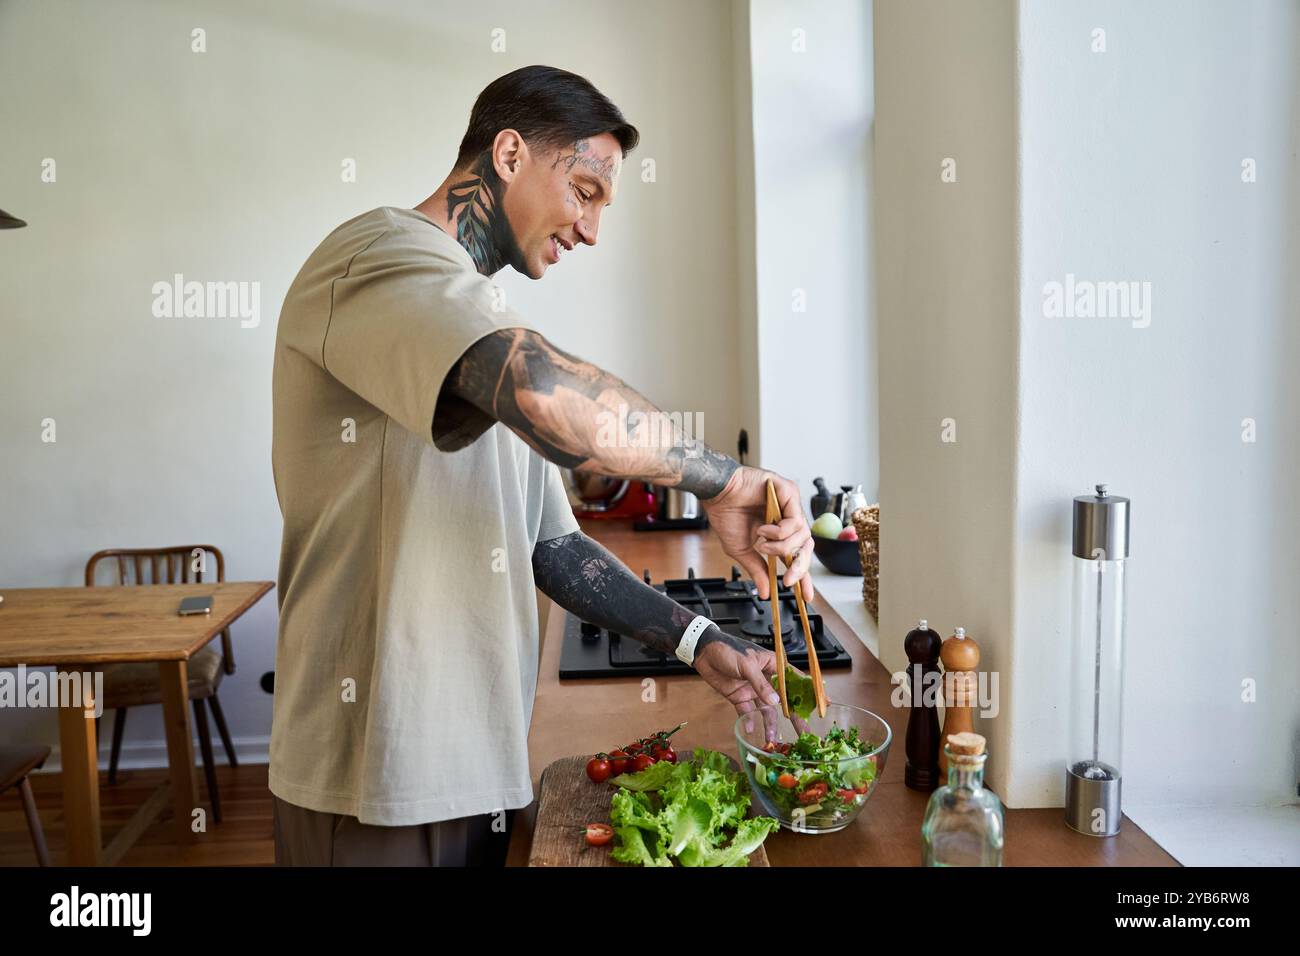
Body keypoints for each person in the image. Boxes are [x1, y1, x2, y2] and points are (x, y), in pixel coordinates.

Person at [268, 65, 813, 866]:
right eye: (585, 190)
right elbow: (550, 396)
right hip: (375, 768)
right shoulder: (377, 259)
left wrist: (701, 641)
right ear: (511, 153)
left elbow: (552, 549)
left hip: (480, 766)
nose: (591, 231)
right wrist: (730, 482)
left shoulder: (471, 320)